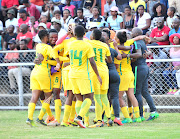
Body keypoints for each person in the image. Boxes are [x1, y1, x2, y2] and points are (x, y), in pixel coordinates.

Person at [67, 25, 102, 128]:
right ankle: (79, 118)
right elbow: (92, 61)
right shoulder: (87, 45)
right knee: (89, 97)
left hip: (72, 73)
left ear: (74, 34)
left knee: (78, 98)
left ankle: (79, 121)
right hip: (83, 74)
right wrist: (98, 75)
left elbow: (68, 55)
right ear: (84, 34)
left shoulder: (71, 44)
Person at [26, 30, 61, 127]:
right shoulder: (48, 47)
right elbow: (55, 56)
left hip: (34, 73)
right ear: (46, 37)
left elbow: (39, 58)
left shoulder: (38, 46)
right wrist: (58, 63)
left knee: (34, 97)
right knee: (48, 96)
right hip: (43, 73)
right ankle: (40, 117)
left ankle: (29, 118)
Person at [130, 27, 159, 121]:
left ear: (135, 34)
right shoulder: (142, 42)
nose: (131, 33)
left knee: (137, 92)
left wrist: (129, 57)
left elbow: (138, 54)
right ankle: (154, 111)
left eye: (132, 32)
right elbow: (146, 52)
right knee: (144, 91)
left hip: (138, 67)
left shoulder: (137, 43)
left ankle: (140, 115)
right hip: (145, 67)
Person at [87, 29, 113, 128]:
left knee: (97, 97)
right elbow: (110, 60)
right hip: (104, 70)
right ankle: (109, 118)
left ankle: (99, 120)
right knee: (104, 96)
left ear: (92, 36)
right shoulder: (105, 45)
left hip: (95, 72)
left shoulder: (89, 43)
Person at [53, 24, 77, 127]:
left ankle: (70, 119)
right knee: (73, 95)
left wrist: (60, 61)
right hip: (72, 69)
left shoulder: (67, 41)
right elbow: (56, 47)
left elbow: (55, 48)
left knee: (74, 95)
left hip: (68, 69)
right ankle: (66, 120)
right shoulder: (76, 41)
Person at [101, 29, 123, 126]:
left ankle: (100, 118)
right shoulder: (111, 50)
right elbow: (119, 57)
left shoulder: (97, 49)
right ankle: (117, 118)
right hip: (113, 73)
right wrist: (115, 47)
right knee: (114, 97)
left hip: (103, 74)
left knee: (103, 97)